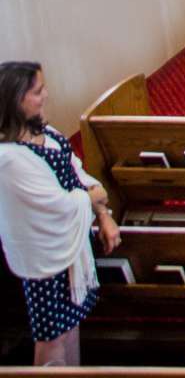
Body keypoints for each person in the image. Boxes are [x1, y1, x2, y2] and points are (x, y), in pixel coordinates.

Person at [0, 61, 116, 367]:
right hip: (45, 259)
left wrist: (103, 213)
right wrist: (95, 197)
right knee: (52, 340)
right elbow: (60, 205)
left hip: (71, 249)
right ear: (16, 100)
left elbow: (76, 170)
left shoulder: (44, 131)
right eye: (38, 91)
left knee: (71, 327)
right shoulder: (8, 158)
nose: (46, 96)